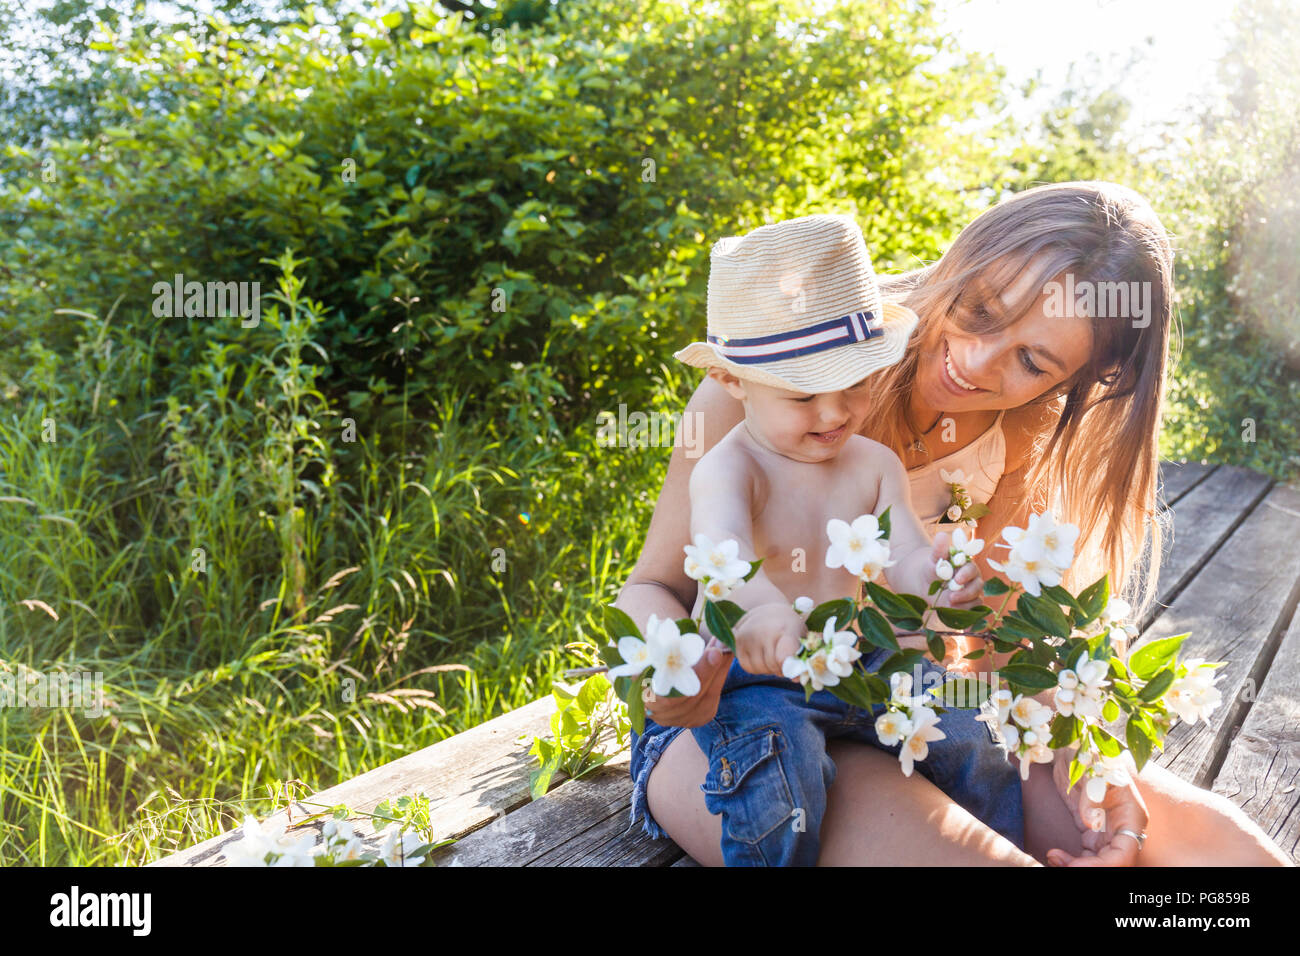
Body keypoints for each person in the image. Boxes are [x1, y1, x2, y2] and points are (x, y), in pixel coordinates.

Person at [618, 181, 1293, 866]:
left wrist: (1078, 744)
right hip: (738, 721)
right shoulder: (767, 379)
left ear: (1087, 379)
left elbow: (986, 648)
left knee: (1217, 851)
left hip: (905, 708)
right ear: (959, 261)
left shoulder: (1019, 433)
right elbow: (652, 588)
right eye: (979, 310)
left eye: (1032, 360)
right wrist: (678, 673)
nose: (975, 361)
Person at [662, 212, 1021, 865]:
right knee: (780, 772)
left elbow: (904, 552)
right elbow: (725, 558)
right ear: (731, 381)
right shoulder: (730, 467)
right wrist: (765, 610)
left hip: (857, 657)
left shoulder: (871, 463)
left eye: (853, 385)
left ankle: (999, 838)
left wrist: (939, 576)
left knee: (970, 726)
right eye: (802, 396)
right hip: (755, 674)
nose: (833, 413)